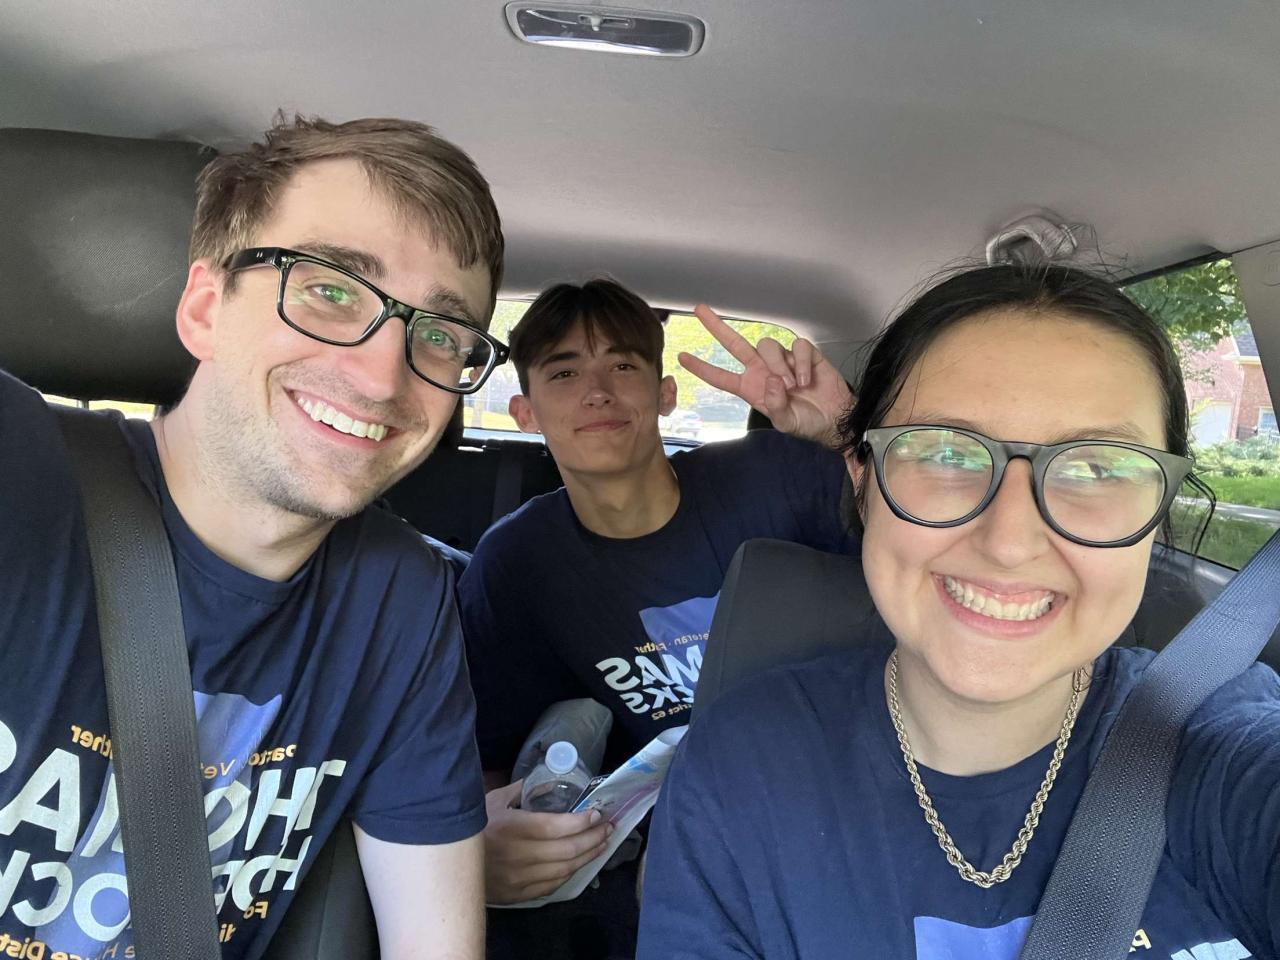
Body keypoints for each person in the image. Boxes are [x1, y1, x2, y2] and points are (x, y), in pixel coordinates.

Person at [635, 262, 1280, 959]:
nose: (1010, 541)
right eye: (945, 452)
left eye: (1097, 468)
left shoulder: (1221, 744)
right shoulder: (739, 770)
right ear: (862, 478)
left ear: (1162, 507)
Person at [0, 115, 507, 959]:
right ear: (205, 308)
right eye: (331, 290)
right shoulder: (17, 472)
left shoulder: (399, 599)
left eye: (438, 335)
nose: (382, 376)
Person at [457, 278, 857, 949]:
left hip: (829, 784)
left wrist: (847, 438)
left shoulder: (775, 475)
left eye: (622, 366)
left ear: (664, 394)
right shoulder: (516, 563)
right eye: (564, 373)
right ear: (525, 412)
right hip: (661, 830)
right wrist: (478, 840)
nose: (597, 392)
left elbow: (926, 547)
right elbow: (489, 748)